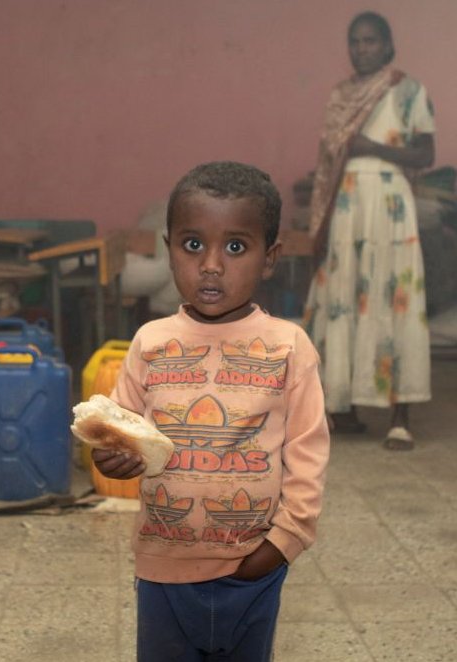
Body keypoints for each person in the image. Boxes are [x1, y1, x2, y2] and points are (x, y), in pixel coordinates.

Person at [94, 162, 330, 661]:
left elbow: (308, 457)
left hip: (254, 566)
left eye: (236, 247)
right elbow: (120, 431)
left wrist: (281, 545)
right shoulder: (150, 343)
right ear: (169, 249)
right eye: (193, 244)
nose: (211, 265)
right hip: (163, 568)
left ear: (271, 258)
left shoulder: (289, 348)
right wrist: (110, 458)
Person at [299, 11, 435, 450]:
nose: (362, 49)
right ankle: (345, 406)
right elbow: (330, 162)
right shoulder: (341, 95)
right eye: (355, 42)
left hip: (390, 207)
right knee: (344, 297)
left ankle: (400, 417)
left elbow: (425, 154)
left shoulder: (408, 90)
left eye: (371, 41)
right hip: (347, 205)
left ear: (388, 44)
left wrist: (372, 147)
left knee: (393, 298)